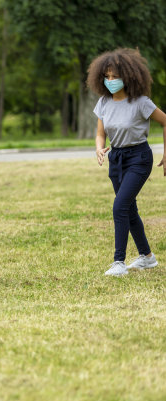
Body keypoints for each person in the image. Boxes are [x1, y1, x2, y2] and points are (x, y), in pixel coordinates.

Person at [89, 48, 166, 276]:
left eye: (116, 76)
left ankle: (119, 262)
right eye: (107, 76)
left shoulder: (141, 102)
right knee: (129, 209)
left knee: (120, 206)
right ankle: (147, 257)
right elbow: (100, 133)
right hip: (117, 158)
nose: (111, 81)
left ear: (129, 76)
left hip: (139, 158)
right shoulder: (103, 102)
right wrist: (98, 148)